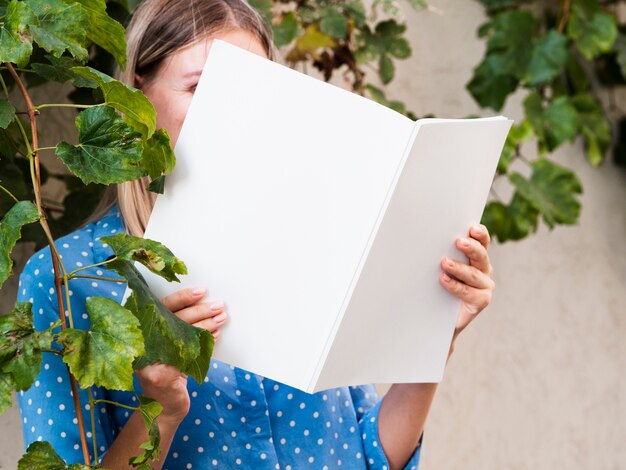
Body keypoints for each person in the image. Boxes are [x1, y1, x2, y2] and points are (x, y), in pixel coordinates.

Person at [16, 0, 496, 468]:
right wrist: (160, 406)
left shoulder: (316, 245)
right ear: (135, 98)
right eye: (203, 88)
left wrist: (434, 334)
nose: (235, 116)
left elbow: (368, 454)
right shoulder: (68, 278)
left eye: (255, 95)